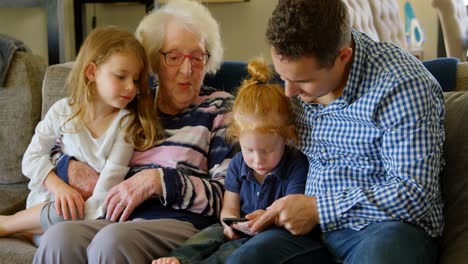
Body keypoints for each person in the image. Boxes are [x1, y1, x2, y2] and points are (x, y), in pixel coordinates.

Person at [241, 1, 446, 263]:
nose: (289, 91)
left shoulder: (403, 86)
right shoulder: (293, 84)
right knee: (248, 258)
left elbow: (414, 193)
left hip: (386, 229)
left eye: (303, 81)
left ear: (343, 57)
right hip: (309, 232)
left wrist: (317, 209)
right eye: (283, 76)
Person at [33, 0, 234, 263]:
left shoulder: (220, 108)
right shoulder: (131, 104)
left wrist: (158, 181)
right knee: (59, 238)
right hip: (115, 217)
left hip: (178, 221)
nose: (187, 70)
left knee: (112, 242)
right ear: (153, 60)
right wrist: (67, 166)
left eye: (197, 58)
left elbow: (227, 196)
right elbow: (57, 145)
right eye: (174, 57)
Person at [154, 59, 330, 264]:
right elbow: (229, 208)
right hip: (241, 227)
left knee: (233, 250)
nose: (257, 160)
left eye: (268, 150)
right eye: (249, 150)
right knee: (211, 234)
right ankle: (179, 258)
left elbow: (290, 211)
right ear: (238, 138)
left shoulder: (295, 164)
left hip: (274, 231)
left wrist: (264, 218)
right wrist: (229, 224)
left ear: (287, 137)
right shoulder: (238, 163)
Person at [0, 26, 162, 239]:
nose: (131, 87)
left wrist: (81, 213)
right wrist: (59, 187)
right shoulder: (62, 111)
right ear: (92, 72)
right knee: (61, 217)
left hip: (84, 212)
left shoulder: (126, 125)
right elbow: (31, 158)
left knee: (62, 226)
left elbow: (108, 186)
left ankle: (15, 225)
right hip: (49, 198)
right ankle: (16, 225)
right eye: (121, 76)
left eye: (135, 80)